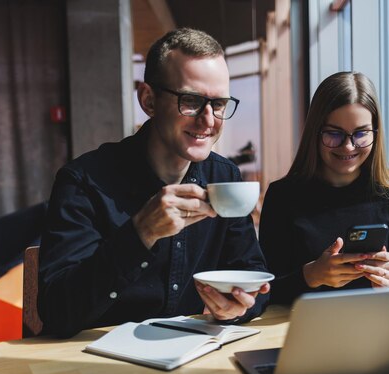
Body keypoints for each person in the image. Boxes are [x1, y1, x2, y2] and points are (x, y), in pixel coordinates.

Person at [38, 28, 270, 337]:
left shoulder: (224, 178)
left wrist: (238, 308)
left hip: (189, 356)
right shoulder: (83, 182)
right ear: (148, 100)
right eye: (191, 101)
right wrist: (140, 234)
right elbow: (57, 311)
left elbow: (257, 279)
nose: (209, 120)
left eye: (219, 104)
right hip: (95, 364)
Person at [259, 71, 389, 305]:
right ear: (315, 132)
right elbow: (263, 293)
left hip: (371, 333)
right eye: (334, 134)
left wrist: (388, 285)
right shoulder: (283, 196)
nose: (348, 146)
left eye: (361, 134)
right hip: (298, 333)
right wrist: (310, 276)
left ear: (375, 134)